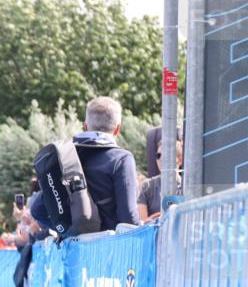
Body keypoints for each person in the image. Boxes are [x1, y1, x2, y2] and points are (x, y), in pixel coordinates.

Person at [30, 96, 140, 232]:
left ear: (85, 126)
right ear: (117, 129)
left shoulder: (66, 157)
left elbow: (37, 209)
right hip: (109, 248)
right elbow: (128, 216)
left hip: (74, 248)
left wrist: (66, 231)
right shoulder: (122, 159)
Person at [138, 137, 183, 222]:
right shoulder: (147, 186)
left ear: (180, 160)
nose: (161, 159)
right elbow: (141, 224)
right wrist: (151, 222)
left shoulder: (188, 186)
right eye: (158, 155)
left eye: (166, 155)